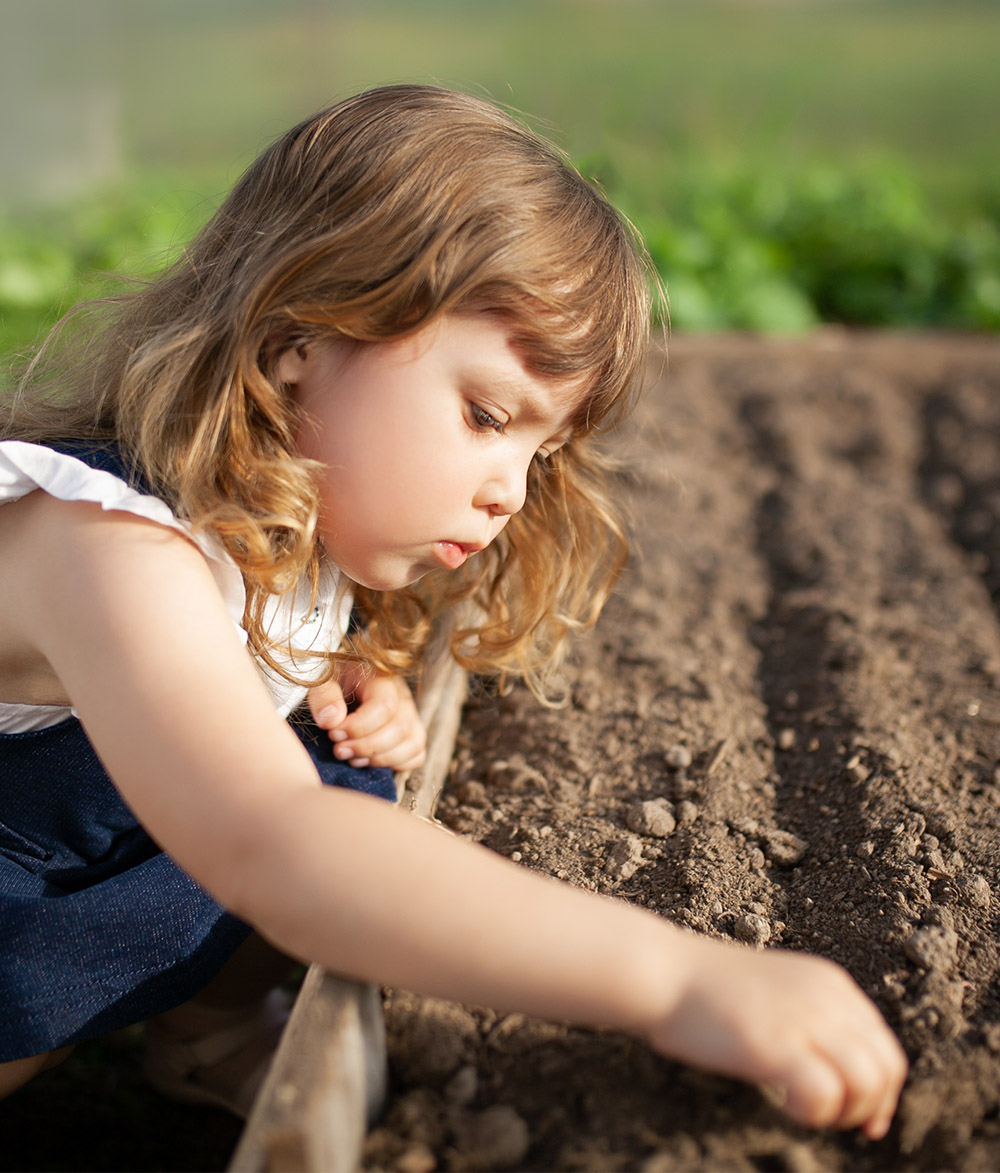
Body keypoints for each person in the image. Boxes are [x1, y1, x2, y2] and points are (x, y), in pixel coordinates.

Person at [0, 84, 906, 1135]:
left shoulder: (284, 542)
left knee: (338, 768)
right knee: (310, 821)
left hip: (53, 878)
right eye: (484, 415)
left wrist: (319, 676)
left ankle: (208, 1037)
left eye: (537, 450)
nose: (509, 491)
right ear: (301, 336)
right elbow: (269, 841)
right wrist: (674, 978)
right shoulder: (106, 545)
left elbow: (203, 682)